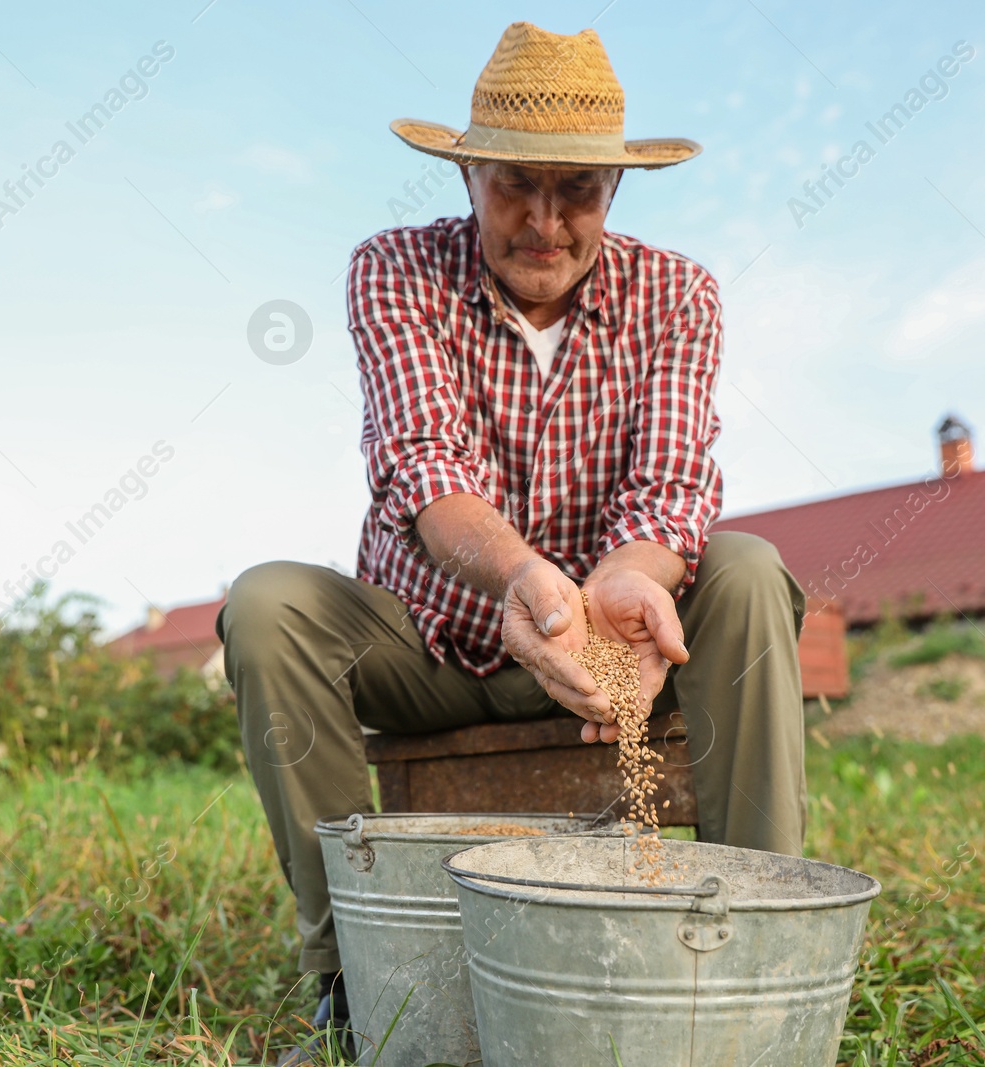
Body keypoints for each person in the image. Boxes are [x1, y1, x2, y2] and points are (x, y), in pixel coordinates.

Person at [214, 21, 807, 1063]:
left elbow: (671, 490)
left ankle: (756, 937)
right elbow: (422, 469)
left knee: (750, 568)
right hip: (431, 646)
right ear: (468, 175)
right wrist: (532, 578)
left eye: (575, 187)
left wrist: (617, 585)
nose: (543, 219)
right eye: (512, 186)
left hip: (608, 661)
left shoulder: (676, 295)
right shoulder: (395, 270)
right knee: (267, 604)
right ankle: (348, 972)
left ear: (614, 192)